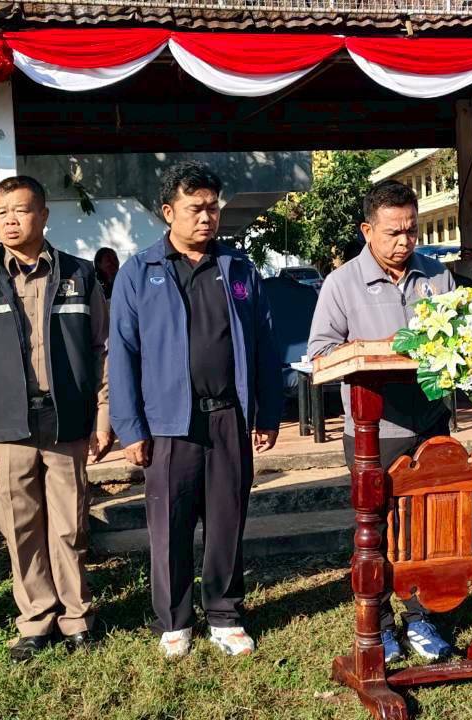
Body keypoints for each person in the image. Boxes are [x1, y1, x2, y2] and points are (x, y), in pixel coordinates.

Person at [110, 161, 282, 658]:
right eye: (195, 208)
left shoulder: (238, 269)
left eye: (212, 207)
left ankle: (225, 614)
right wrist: (130, 427)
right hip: (169, 424)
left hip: (228, 415)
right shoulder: (139, 272)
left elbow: (264, 344)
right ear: (169, 212)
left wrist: (267, 412)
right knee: (170, 523)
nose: (206, 217)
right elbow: (122, 354)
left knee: (227, 520)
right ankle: (174, 620)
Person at [0, 176, 113, 663]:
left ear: (43, 216)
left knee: (69, 525)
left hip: (66, 420)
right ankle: (37, 618)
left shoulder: (80, 275)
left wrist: (104, 416)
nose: (10, 221)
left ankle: (76, 617)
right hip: (8, 425)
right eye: (2, 212)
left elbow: (102, 350)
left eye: (21, 211)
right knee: (20, 526)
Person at [307, 180, 456, 663]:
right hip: (375, 431)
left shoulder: (438, 276)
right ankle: (381, 624)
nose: (404, 241)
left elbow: (459, 334)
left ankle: (421, 617)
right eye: (393, 232)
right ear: (367, 230)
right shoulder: (342, 283)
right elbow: (320, 352)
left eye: (412, 231)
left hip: (430, 425)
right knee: (377, 530)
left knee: (428, 527)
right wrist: (376, 352)